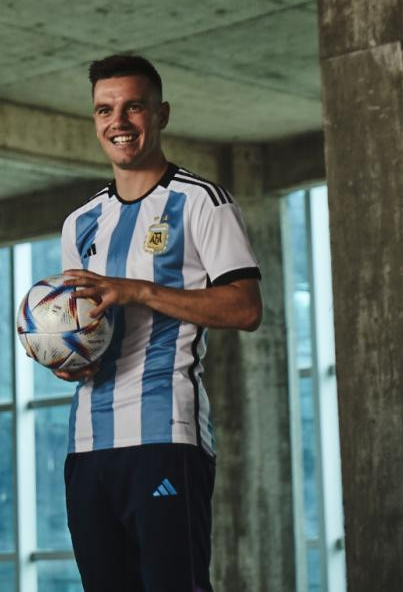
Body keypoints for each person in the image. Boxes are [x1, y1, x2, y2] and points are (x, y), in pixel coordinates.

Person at [57, 54, 262, 591]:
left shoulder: (202, 203)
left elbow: (245, 307)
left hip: (165, 433)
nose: (118, 122)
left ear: (161, 114)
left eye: (134, 107)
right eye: (105, 109)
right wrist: (67, 354)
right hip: (87, 445)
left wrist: (138, 291)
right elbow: (81, 319)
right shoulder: (79, 222)